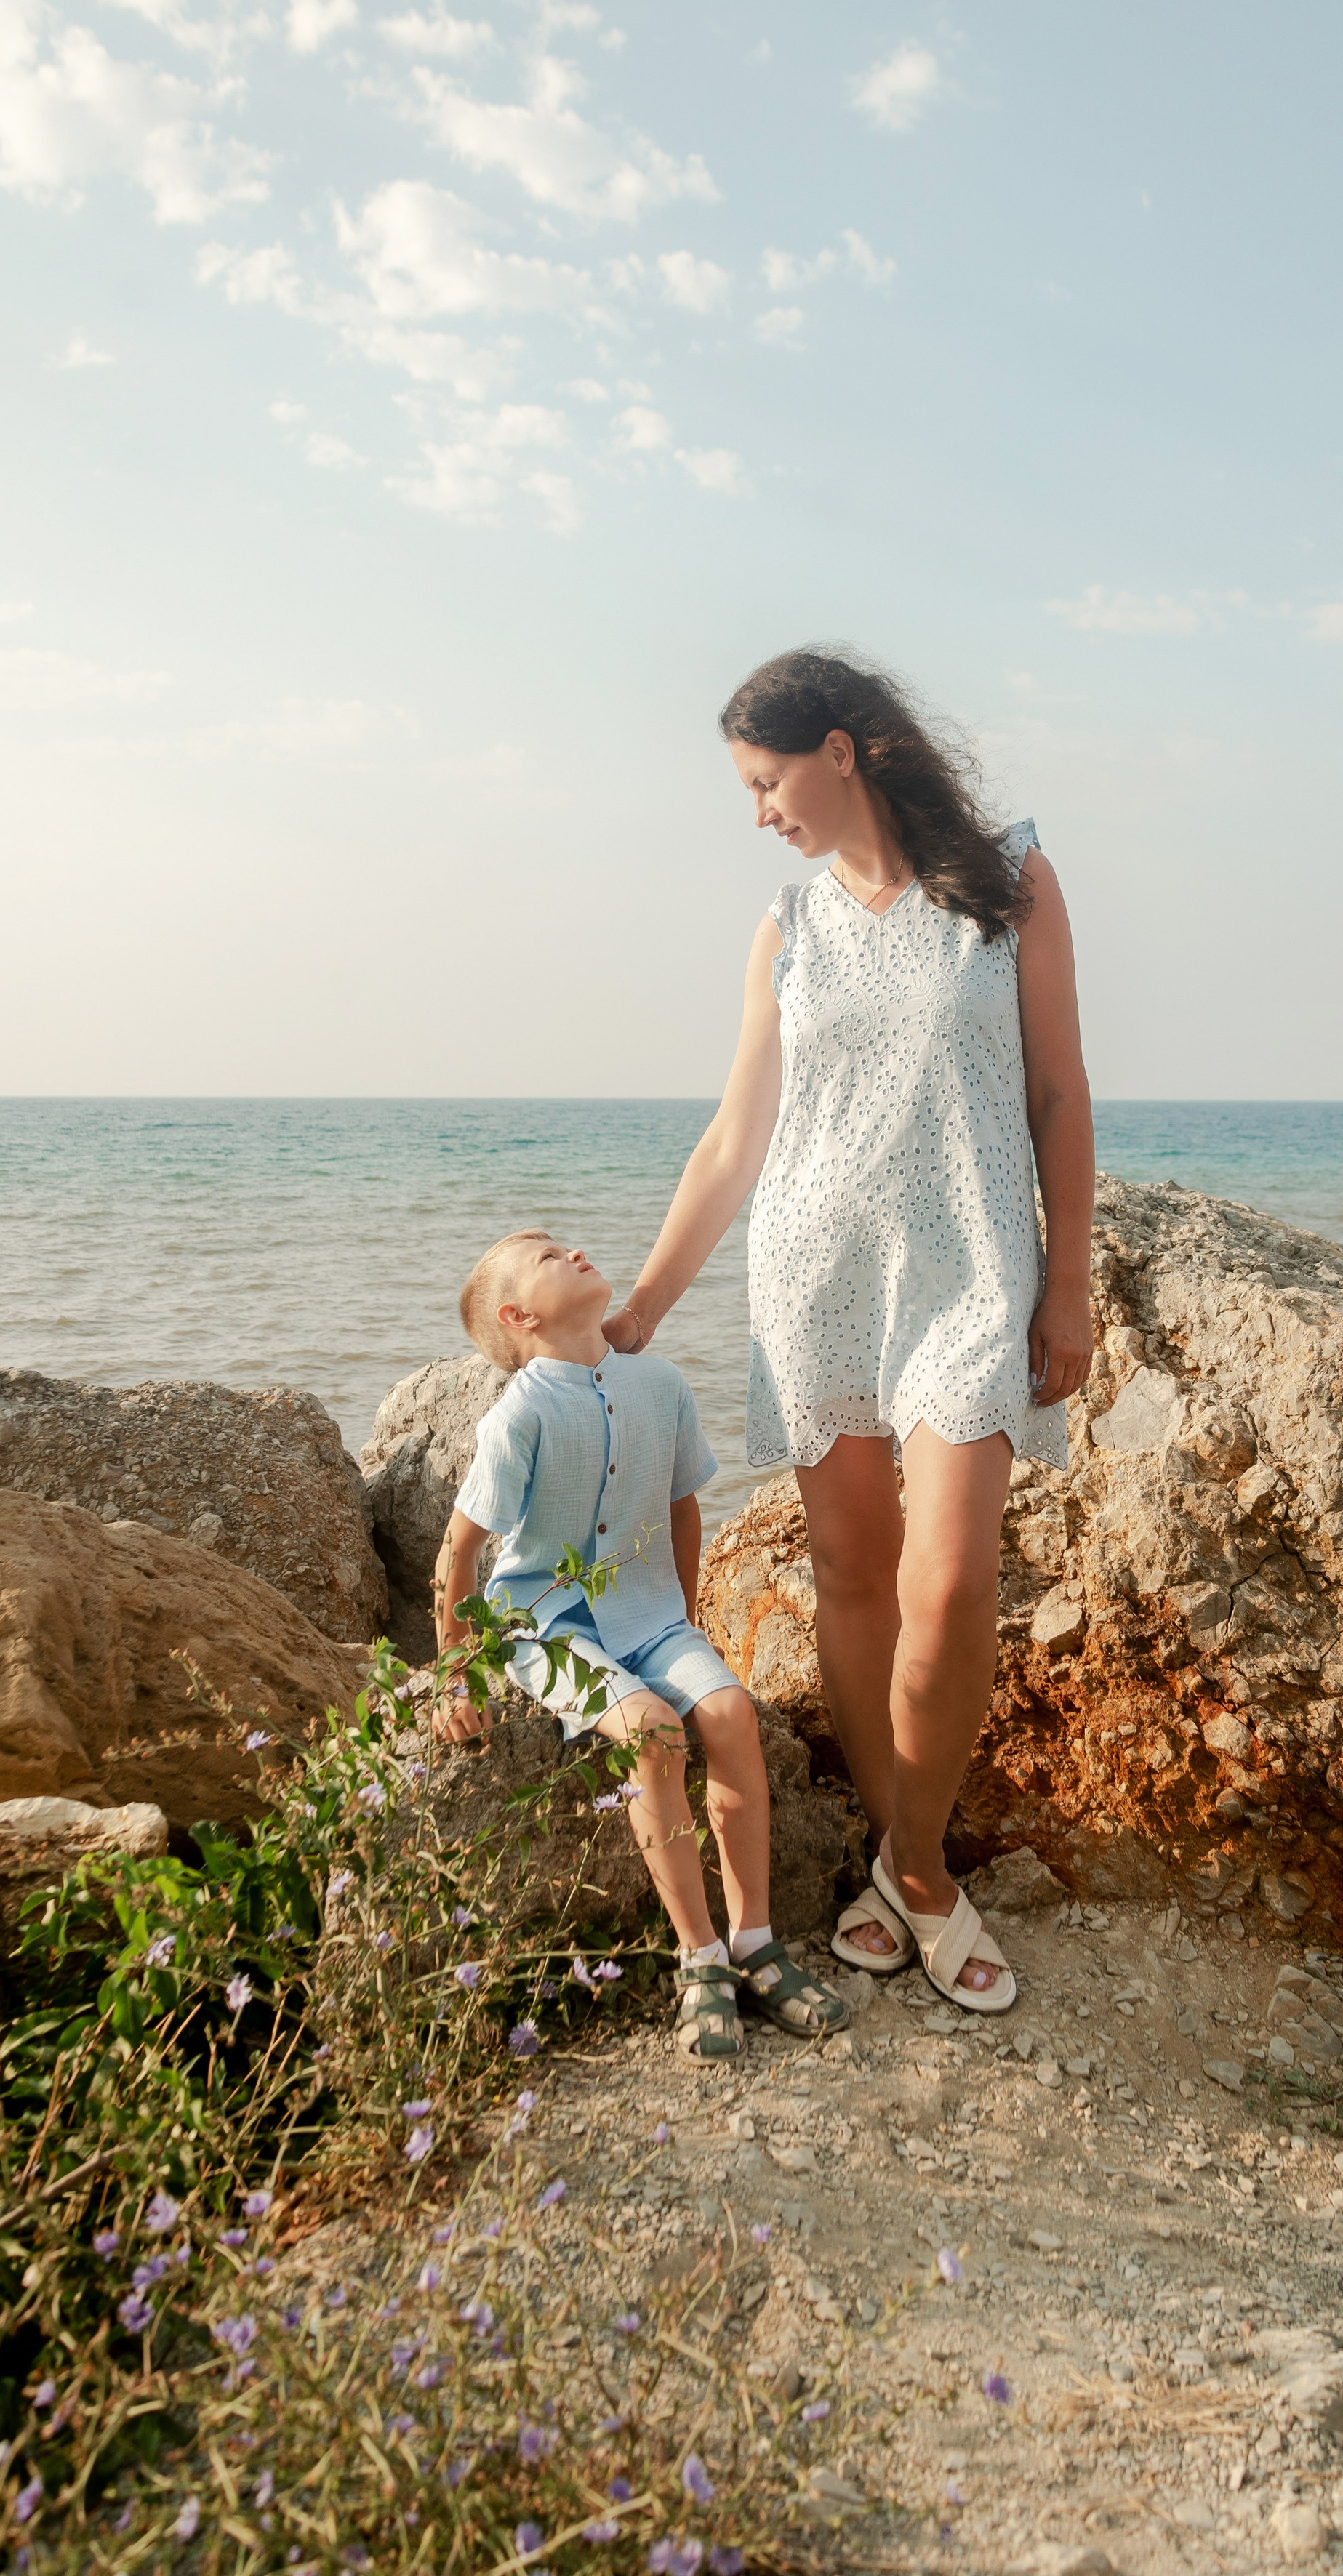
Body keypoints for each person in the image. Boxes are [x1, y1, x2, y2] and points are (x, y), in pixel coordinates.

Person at [602, 651, 1095, 2015]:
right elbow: (734, 1139)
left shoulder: (1012, 887)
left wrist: (1071, 1283)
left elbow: (1058, 1090)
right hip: (816, 1270)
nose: (759, 811)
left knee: (949, 1580)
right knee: (850, 1571)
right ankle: (899, 1859)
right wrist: (647, 1297)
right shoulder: (789, 928)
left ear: (842, 749)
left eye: (766, 782)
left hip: (975, 1274)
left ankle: (923, 1871)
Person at [430, 1225, 848, 2065]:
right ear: (520, 1317)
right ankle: (698, 1958)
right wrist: (456, 1675)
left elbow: (684, 1506)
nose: (572, 1251)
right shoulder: (521, 1413)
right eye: (547, 1257)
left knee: (728, 1712)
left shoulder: (659, 1384)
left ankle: (755, 1941)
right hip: (542, 1624)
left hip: (652, 1614)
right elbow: (461, 1552)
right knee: (654, 1731)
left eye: (566, 1242)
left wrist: (682, 1620)